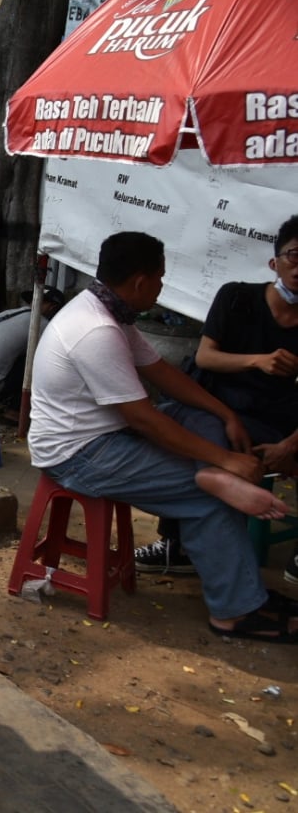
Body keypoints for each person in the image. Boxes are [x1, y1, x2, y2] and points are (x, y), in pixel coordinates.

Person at [29, 231, 294, 643]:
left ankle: (211, 478)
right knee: (210, 499)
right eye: (160, 278)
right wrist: (225, 460)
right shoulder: (96, 329)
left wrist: (225, 414)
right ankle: (236, 611)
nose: (161, 287)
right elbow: (145, 421)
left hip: (107, 432)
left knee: (195, 412)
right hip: (79, 454)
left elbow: (164, 374)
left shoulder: (110, 310)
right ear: (140, 282)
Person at [134, 215, 298, 585]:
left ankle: (215, 555)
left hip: (279, 422)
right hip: (219, 408)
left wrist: (290, 444)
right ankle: (179, 545)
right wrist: (258, 360)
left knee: (219, 450)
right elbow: (207, 357)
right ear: (275, 262)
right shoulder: (237, 297)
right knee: (196, 438)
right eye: (294, 256)